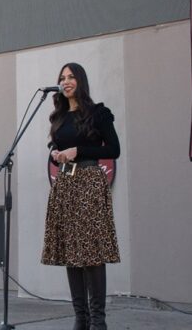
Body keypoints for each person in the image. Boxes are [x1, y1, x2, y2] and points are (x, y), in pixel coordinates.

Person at [41, 62, 120, 330]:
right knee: (70, 252)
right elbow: (59, 149)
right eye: (62, 78)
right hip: (66, 183)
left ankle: (98, 321)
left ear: (80, 80)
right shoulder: (59, 117)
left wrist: (79, 151)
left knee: (91, 252)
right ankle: (80, 318)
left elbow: (114, 149)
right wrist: (56, 154)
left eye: (71, 76)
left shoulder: (98, 113)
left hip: (89, 182)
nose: (66, 81)